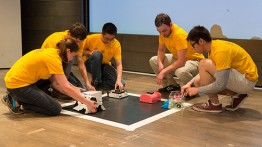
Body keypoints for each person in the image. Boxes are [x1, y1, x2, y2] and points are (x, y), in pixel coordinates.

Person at [2, 38, 97, 115]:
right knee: (55, 109)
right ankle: (16, 100)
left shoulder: (54, 52)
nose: (72, 59)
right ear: (68, 51)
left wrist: (75, 88)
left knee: (51, 84)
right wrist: (87, 103)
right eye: (73, 55)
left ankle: (21, 98)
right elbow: (64, 88)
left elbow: (56, 82)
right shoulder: (54, 59)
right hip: (18, 85)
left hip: (21, 81)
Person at [181, 25, 258, 113]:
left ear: (201, 41)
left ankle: (214, 105)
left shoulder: (220, 51)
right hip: (242, 78)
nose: (193, 49)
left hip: (246, 81)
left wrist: (196, 90)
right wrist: (189, 83)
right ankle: (237, 95)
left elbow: (221, 84)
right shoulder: (213, 47)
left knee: (203, 64)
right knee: (198, 81)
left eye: (193, 45)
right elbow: (206, 73)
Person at [149, 13, 204, 93]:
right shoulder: (162, 34)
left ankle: (192, 89)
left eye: (164, 31)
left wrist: (164, 71)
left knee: (180, 71)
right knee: (154, 60)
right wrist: (160, 63)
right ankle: (171, 85)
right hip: (179, 58)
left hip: (196, 61)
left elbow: (182, 61)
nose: (162, 34)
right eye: (159, 31)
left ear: (170, 25)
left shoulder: (179, 35)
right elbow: (161, 50)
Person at [41, 22, 95, 91]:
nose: (77, 44)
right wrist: (65, 86)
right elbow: (52, 63)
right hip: (48, 69)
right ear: (69, 34)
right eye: (76, 41)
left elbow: (80, 62)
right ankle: (56, 87)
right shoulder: (56, 39)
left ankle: (63, 85)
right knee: (69, 91)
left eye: (80, 42)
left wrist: (87, 83)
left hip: (63, 69)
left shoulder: (79, 41)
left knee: (83, 89)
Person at [80, 22, 124, 91]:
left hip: (103, 65)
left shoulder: (116, 44)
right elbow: (79, 50)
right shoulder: (91, 38)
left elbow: (119, 64)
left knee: (120, 83)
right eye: (107, 38)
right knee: (97, 54)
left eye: (111, 39)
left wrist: (118, 80)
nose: (109, 41)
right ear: (102, 34)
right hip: (90, 63)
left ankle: (98, 87)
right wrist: (88, 53)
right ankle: (96, 82)